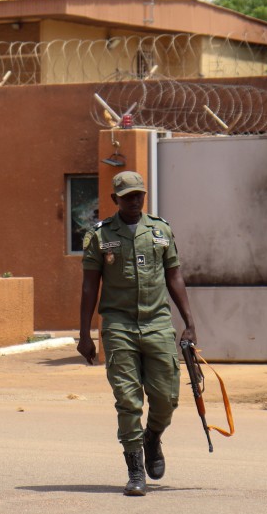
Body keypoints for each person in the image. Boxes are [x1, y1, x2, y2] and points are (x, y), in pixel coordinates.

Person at [78, 170, 197, 496]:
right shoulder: (99, 236)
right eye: (128, 196)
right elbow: (90, 286)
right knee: (128, 401)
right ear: (115, 199)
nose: (134, 201)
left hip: (158, 323)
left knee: (166, 397)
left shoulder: (160, 231)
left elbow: (175, 277)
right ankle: (134, 471)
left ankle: (153, 436)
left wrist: (189, 322)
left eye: (139, 195)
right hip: (118, 326)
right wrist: (85, 334)